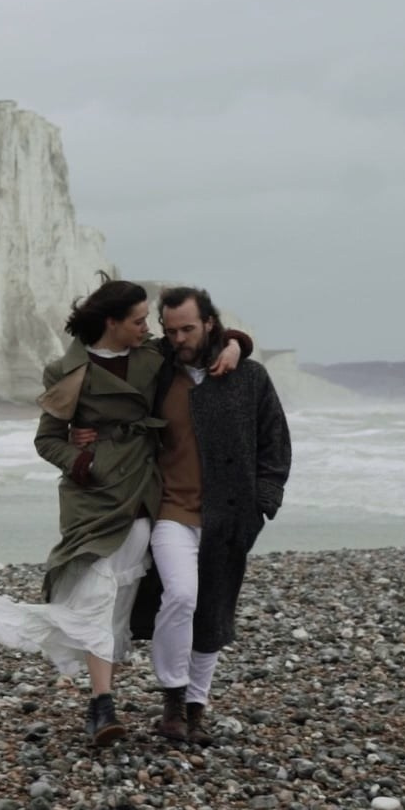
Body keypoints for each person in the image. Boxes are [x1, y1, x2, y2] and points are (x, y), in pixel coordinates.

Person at [0, 276, 250, 746]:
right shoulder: (68, 370)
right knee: (93, 588)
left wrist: (234, 343)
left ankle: (105, 703)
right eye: (138, 320)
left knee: (116, 597)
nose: (148, 328)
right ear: (112, 323)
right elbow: (47, 439)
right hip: (92, 497)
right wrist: (81, 459)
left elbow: (197, 343)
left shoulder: (152, 356)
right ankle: (101, 703)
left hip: (142, 492)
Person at [110, 286, 291, 746]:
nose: (179, 338)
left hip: (229, 515)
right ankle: (172, 700)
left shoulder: (247, 376)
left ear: (210, 322)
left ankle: (196, 708)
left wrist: (263, 503)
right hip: (171, 509)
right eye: (170, 330)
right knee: (182, 597)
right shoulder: (158, 371)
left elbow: (275, 441)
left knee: (212, 610)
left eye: (188, 328)